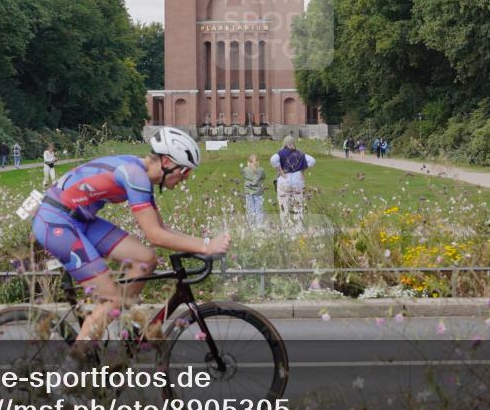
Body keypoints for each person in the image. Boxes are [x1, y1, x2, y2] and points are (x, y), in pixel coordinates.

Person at [33, 127, 230, 344]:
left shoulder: (140, 174)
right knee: (111, 300)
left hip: (79, 219)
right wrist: (205, 246)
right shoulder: (135, 175)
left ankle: (121, 324)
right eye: (184, 171)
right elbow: (155, 235)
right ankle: (70, 374)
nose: (186, 178)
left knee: (145, 258)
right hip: (56, 222)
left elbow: (161, 230)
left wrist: (205, 243)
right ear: (166, 162)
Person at [270, 135, 316, 229]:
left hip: (285, 180)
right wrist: (303, 170)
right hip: (297, 180)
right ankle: (299, 227)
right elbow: (312, 161)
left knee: (283, 203)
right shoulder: (300, 153)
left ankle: (285, 225)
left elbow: (273, 160)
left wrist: (280, 171)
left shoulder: (281, 153)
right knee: (298, 204)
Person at [241, 154, 266, 227]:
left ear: (248, 162)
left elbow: (243, 175)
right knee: (259, 209)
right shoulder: (261, 170)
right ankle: (259, 226)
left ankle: (251, 225)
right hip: (258, 192)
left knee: (250, 209)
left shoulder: (245, 169)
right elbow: (264, 177)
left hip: (248, 192)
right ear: (258, 162)